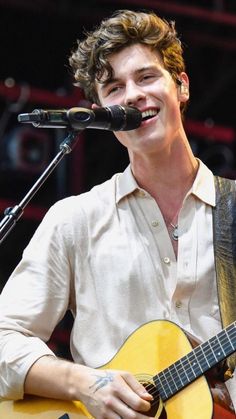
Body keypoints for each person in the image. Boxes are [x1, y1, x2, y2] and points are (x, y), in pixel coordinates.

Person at [0, 8, 235, 418]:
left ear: (181, 86)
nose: (131, 95)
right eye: (113, 88)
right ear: (101, 112)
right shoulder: (76, 219)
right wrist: (87, 384)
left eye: (146, 77)